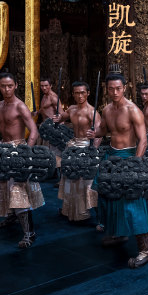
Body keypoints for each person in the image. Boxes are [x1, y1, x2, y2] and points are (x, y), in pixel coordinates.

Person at [86, 73, 148, 268]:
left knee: (133, 203)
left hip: (129, 157)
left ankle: (145, 251)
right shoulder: (106, 110)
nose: (115, 92)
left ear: (124, 88)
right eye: (111, 89)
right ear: (106, 89)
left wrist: (135, 165)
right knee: (110, 199)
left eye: (118, 88)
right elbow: (104, 130)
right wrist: (94, 133)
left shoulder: (133, 110)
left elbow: (143, 140)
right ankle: (119, 234)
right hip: (112, 157)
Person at [0, 72, 44, 248]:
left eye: (10, 86)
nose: (7, 89)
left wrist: (25, 152)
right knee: (4, 187)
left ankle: (30, 233)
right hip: (3, 149)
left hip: (18, 150)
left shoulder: (20, 106)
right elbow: (3, 124)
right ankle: (11, 217)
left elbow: (34, 131)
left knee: (18, 191)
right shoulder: (0, 105)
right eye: (3, 86)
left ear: (16, 86)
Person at [52, 81, 101, 223]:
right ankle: (69, 210)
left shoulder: (92, 112)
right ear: (73, 94)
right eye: (77, 93)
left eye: (82, 93)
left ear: (88, 93)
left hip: (86, 146)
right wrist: (58, 118)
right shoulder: (72, 109)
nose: (80, 96)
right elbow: (62, 117)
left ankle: (94, 216)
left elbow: (99, 135)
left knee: (86, 182)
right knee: (70, 179)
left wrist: (93, 152)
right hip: (73, 146)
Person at [34, 77, 64, 185]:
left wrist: (58, 130)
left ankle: (61, 180)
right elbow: (45, 109)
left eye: (46, 85)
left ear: (50, 86)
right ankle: (48, 174)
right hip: (45, 128)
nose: (44, 88)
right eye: (42, 86)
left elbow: (61, 114)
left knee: (56, 153)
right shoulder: (44, 96)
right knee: (46, 152)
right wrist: (37, 112)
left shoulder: (53, 97)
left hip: (53, 128)